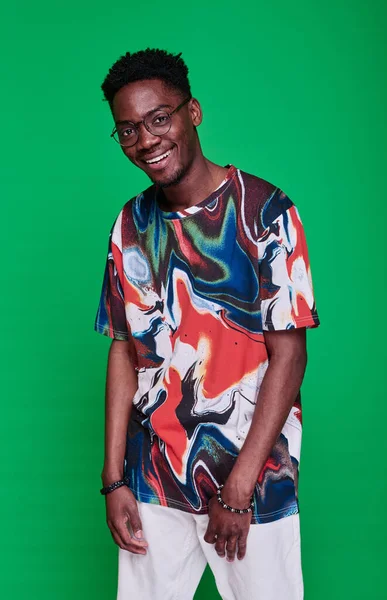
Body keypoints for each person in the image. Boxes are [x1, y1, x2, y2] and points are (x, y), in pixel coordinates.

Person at [94, 48, 320, 600]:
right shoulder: (130, 223)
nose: (146, 140)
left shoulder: (265, 211)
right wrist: (113, 480)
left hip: (254, 481)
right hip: (152, 477)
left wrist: (240, 488)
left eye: (158, 118)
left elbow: (289, 356)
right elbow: (124, 349)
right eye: (127, 130)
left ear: (193, 112)